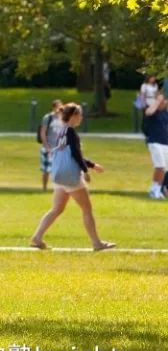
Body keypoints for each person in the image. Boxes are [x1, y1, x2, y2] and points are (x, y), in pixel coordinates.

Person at [30, 103, 115, 251]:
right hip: (70, 177)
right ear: (74, 115)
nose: (82, 117)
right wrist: (86, 170)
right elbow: (76, 154)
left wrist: (93, 165)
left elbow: (70, 154)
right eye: (80, 114)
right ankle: (96, 243)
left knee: (56, 209)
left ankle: (37, 238)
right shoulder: (70, 132)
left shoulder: (61, 131)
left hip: (59, 176)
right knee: (87, 209)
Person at [143, 93, 168, 200]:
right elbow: (148, 112)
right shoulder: (153, 111)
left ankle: (157, 189)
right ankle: (154, 189)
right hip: (155, 142)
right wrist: (157, 102)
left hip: (165, 143)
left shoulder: (165, 114)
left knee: (164, 169)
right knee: (160, 166)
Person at [37, 99, 64, 191]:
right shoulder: (48, 118)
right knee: (46, 170)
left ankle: (58, 188)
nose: (59, 109)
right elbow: (43, 133)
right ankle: (44, 188)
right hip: (48, 147)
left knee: (58, 169)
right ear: (53, 108)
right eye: (57, 107)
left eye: (60, 106)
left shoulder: (63, 118)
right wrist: (47, 146)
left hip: (59, 148)